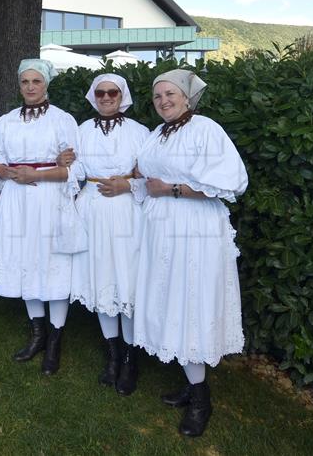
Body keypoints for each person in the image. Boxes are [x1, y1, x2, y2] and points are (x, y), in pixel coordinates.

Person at [133, 68, 248, 437]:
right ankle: (190, 382)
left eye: (170, 94)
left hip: (195, 230)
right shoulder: (157, 135)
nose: (163, 101)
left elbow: (231, 182)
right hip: (162, 230)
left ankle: (201, 400)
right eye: (157, 97)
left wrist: (172, 190)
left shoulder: (206, 130)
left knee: (192, 303)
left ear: (187, 97)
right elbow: (145, 178)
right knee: (174, 302)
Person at [0, 59, 85, 374]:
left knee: (51, 262)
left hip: (48, 199)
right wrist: (5, 170)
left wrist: (40, 174)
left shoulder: (63, 120)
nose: (29, 87)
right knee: (26, 260)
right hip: (16, 200)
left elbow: (77, 168)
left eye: (36, 81)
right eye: (24, 81)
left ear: (46, 84)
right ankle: (37, 334)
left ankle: (54, 341)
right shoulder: (6, 121)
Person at [66, 74, 149, 394]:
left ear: (122, 95)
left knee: (126, 282)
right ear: (93, 96)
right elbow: (74, 171)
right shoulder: (82, 131)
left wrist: (127, 184)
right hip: (92, 211)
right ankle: (113, 356)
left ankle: (130, 360)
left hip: (127, 213)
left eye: (112, 92)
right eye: (100, 92)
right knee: (101, 279)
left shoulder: (141, 133)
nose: (106, 97)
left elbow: (153, 176)